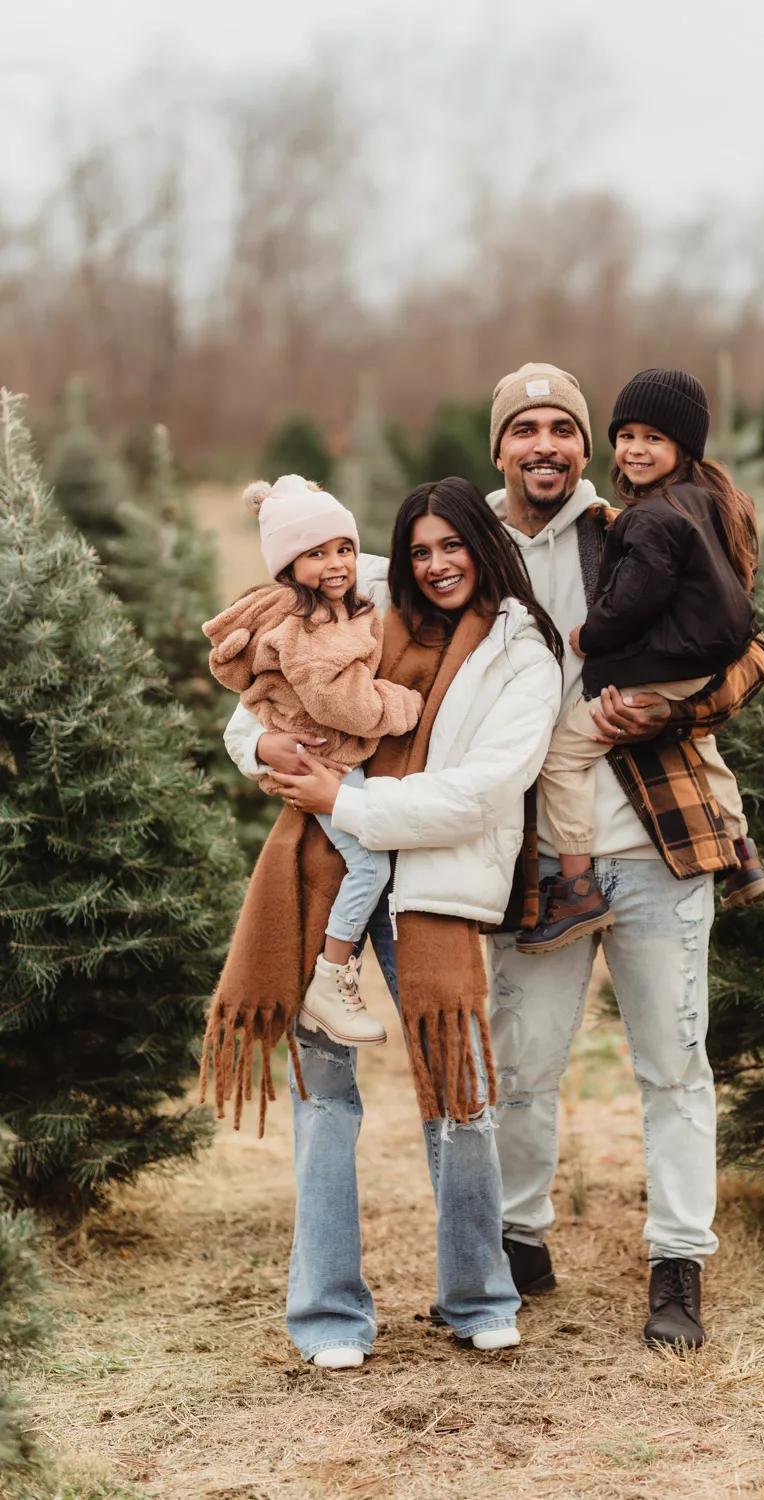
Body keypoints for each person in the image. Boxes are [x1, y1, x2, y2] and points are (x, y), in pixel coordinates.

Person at [216, 477, 563, 1369]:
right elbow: (250, 704)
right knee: (323, 1100)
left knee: (462, 1096)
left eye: (454, 546)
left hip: (433, 883)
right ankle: (328, 1316)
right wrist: (263, 747)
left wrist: (351, 800)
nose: (436, 565)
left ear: (486, 548)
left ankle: (478, 1295)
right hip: (321, 871)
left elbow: (485, 790)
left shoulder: (523, 654)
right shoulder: (359, 599)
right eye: (421, 549)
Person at [484, 362, 764, 1349]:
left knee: (672, 1064)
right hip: (533, 854)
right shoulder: (465, 549)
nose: (545, 447)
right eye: (524, 430)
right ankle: (517, 1242)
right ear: (500, 449)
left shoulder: (634, 522)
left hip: (656, 840)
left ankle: (677, 1263)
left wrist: (677, 706)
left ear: (583, 446)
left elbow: (750, 648)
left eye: (560, 429)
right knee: (520, 1064)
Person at [517, 368, 764, 955]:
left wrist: (593, 638)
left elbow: (642, 599)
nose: (634, 448)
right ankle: (742, 852)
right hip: (694, 662)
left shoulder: (637, 521)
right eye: (626, 435)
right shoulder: (709, 507)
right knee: (707, 753)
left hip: (658, 803)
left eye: (653, 438)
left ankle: (576, 887)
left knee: (562, 753)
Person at [203, 473, 422, 1045]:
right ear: (287, 567)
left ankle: (333, 976)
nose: (336, 562)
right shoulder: (308, 623)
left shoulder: (344, 605)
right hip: (327, 766)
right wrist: (405, 705)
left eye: (344, 548)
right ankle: (332, 976)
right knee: (368, 867)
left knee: (368, 865)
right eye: (315, 553)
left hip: (336, 768)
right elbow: (341, 702)